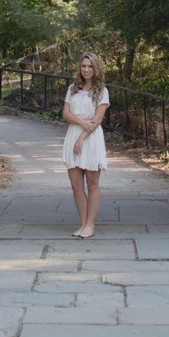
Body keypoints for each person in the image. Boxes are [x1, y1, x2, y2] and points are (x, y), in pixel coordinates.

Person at [61, 52, 110, 238]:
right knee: (76, 185)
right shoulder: (73, 88)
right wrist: (81, 122)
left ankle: (90, 225)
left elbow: (97, 120)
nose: (87, 70)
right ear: (79, 68)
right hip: (73, 133)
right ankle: (82, 223)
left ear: (96, 68)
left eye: (90, 66)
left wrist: (81, 137)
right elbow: (65, 113)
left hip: (91, 138)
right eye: (84, 66)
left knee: (92, 183)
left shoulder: (102, 91)